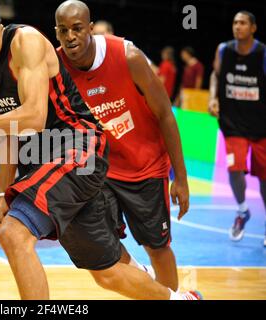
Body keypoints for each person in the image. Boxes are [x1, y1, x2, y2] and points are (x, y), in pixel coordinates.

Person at [0, 0, 201, 300]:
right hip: (44, 160)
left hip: (77, 149)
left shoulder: (26, 42)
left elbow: (34, 116)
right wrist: (1, 193)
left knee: (13, 233)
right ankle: (181, 299)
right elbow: (6, 131)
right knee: (107, 273)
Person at [55, 0, 189, 291]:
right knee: (105, 248)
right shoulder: (55, 67)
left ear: (91, 29)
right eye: (63, 30)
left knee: (157, 247)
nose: (70, 36)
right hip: (98, 172)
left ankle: (172, 297)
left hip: (146, 167)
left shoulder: (128, 56)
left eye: (77, 28)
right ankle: (147, 282)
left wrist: (180, 176)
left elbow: (165, 113)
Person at [208, 11, 266, 246]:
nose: (237, 26)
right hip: (233, 124)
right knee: (235, 168)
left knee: (264, 178)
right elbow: (215, 74)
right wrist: (213, 97)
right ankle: (242, 211)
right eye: (234, 22)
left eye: (242, 23)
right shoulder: (224, 50)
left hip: (261, 126)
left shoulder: (262, 53)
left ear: (253, 28)